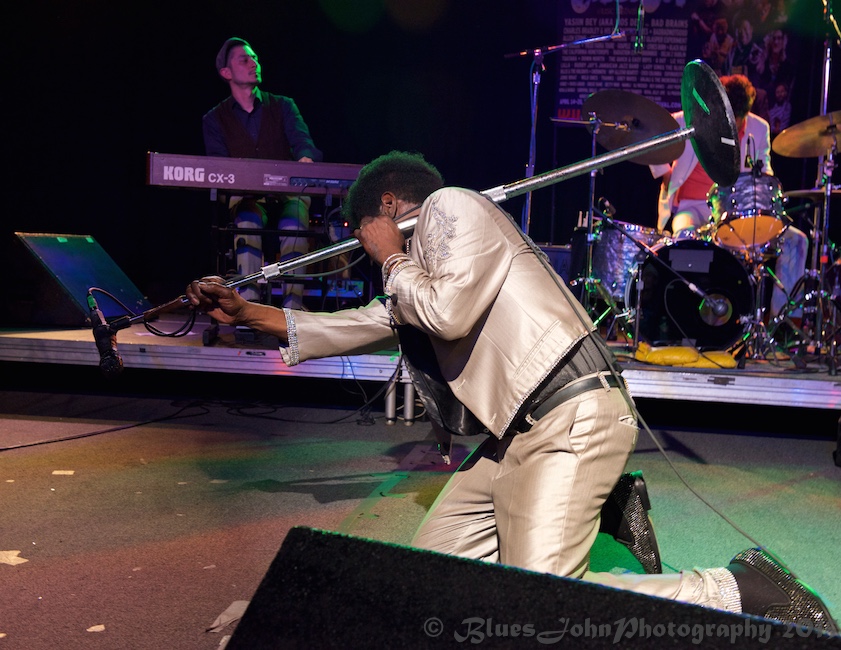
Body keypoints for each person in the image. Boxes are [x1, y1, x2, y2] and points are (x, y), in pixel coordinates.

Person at [186, 150, 837, 633]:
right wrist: (249, 314)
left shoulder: (453, 207)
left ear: (386, 208)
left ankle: (736, 587)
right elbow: (368, 323)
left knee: (547, 605)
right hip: (513, 442)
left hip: (569, 415)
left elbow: (441, 315)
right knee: (433, 586)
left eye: (363, 231)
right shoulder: (432, 269)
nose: (365, 248)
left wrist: (386, 256)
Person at [650, 74, 808, 319]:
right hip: (692, 206)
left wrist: (762, 186)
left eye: (738, 118)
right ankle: (683, 316)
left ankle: (784, 322)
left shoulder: (759, 128)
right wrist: (666, 175)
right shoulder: (690, 119)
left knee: (797, 241)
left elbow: (764, 170)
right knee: (684, 238)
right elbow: (654, 136)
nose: (733, 123)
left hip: (734, 211)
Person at [203, 37, 323, 308]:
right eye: (244, 59)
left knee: (294, 222)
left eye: (255, 58)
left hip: (288, 194)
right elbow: (218, 168)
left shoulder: (283, 105)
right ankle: (249, 303)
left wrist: (305, 156)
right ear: (226, 72)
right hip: (246, 196)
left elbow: (304, 143)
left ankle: (293, 307)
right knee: (247, 218)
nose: (253, 63)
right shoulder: (214, 119)